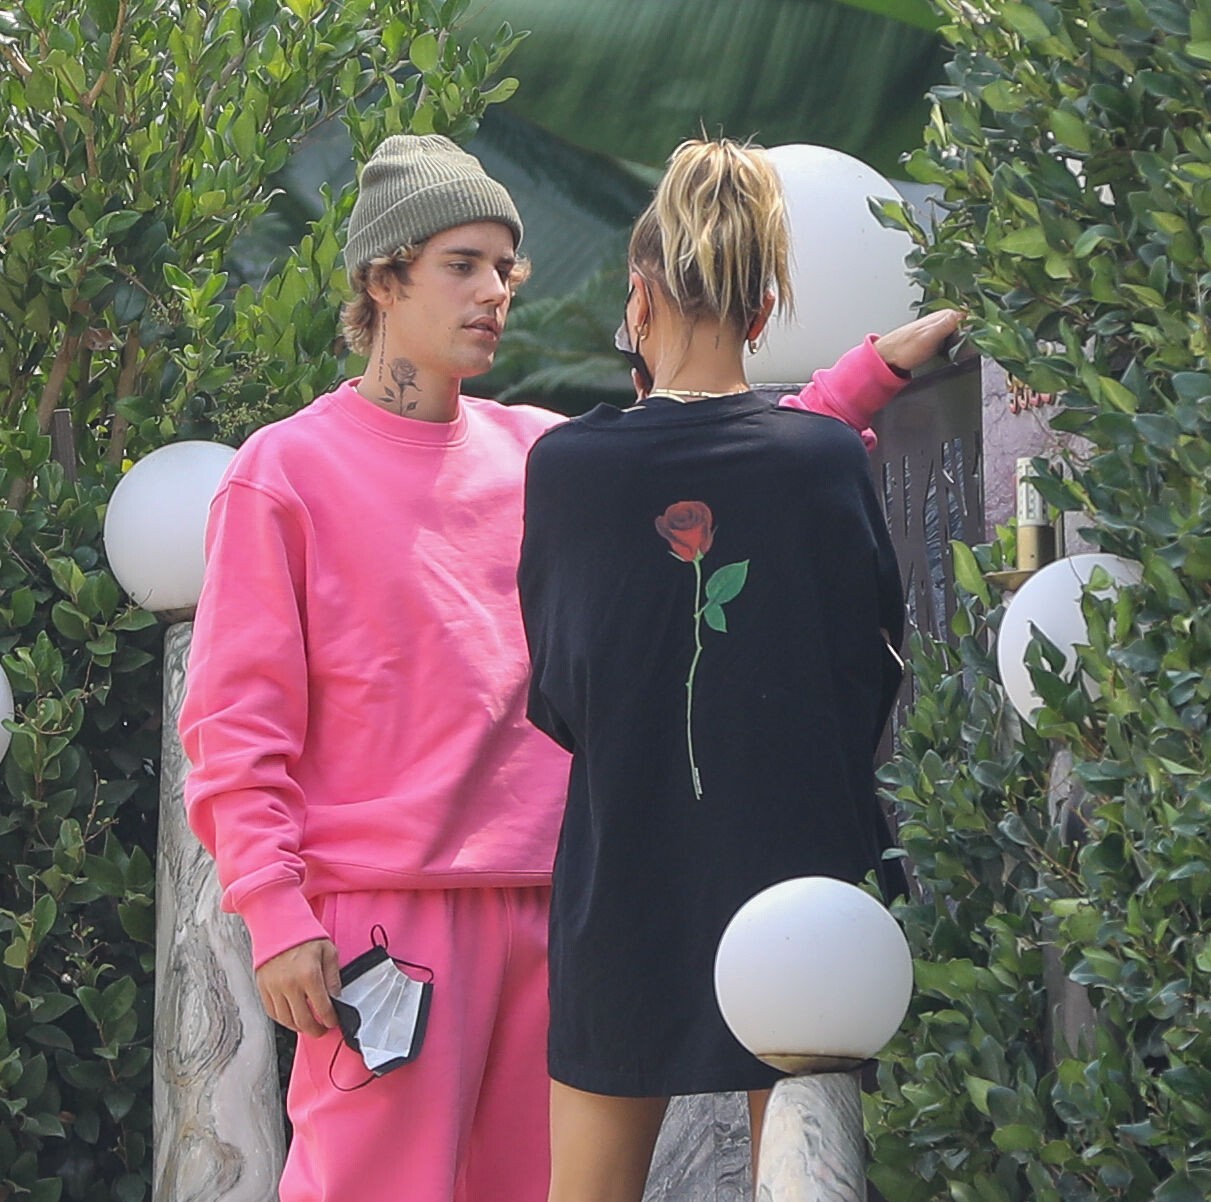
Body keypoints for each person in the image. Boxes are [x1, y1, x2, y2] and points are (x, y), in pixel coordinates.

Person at [179, 131, 957, 1202]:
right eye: (461, 264)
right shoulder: (284, 471)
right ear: (381, 278)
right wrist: (275, 913)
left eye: (505, 267)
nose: (493, 291)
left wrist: (868, 374)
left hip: (561, 906)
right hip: (390, 921)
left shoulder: (544, 455)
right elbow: (234, 723)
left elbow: (727, 456)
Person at [517, 136, 959, 1202]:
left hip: (626, 875)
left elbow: (562, 695)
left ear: (637, 297)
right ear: (762, 312)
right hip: (804, 871)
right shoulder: (822, 459)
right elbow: (866, 670)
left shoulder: (565, 469)